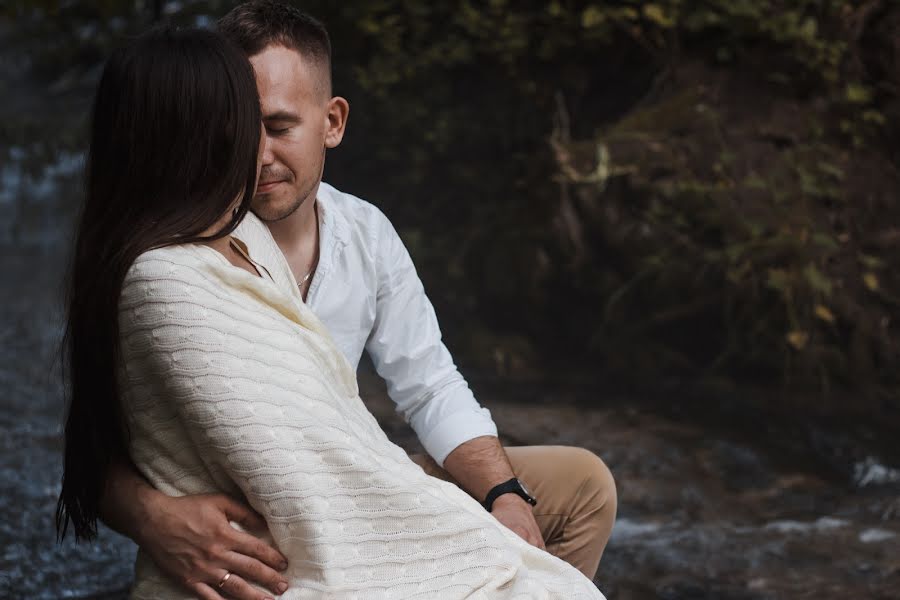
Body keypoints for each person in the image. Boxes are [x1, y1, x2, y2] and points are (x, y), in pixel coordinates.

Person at [57, 24, 608, 600]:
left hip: (349, 469)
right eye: (237, 129)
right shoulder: (169, 266)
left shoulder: (362, 232)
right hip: (263, 505)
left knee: (582, 488)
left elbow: (428, 383)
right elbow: (101, 439)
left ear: (332, 123)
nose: (258, 154)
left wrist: (503, 498)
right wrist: (151, 517)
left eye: (278, 127)